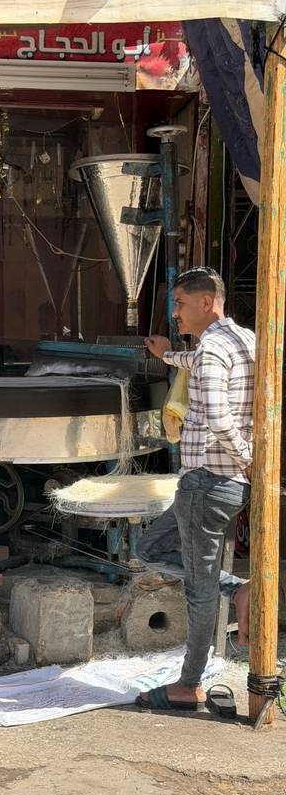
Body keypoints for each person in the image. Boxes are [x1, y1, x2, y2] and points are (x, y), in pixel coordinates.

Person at [136, 266, 255, 712]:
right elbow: (201, 366)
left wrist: (246, 457)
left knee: (198, 590)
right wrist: (169, 355)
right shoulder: (244, 341)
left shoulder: (210, 351)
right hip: (221, 485)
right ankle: (238, 587)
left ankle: (189, 684)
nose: (175, 313)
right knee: (151, 548)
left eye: (181, 304)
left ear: (207, 303)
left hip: (207, 482)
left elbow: (220, 418)